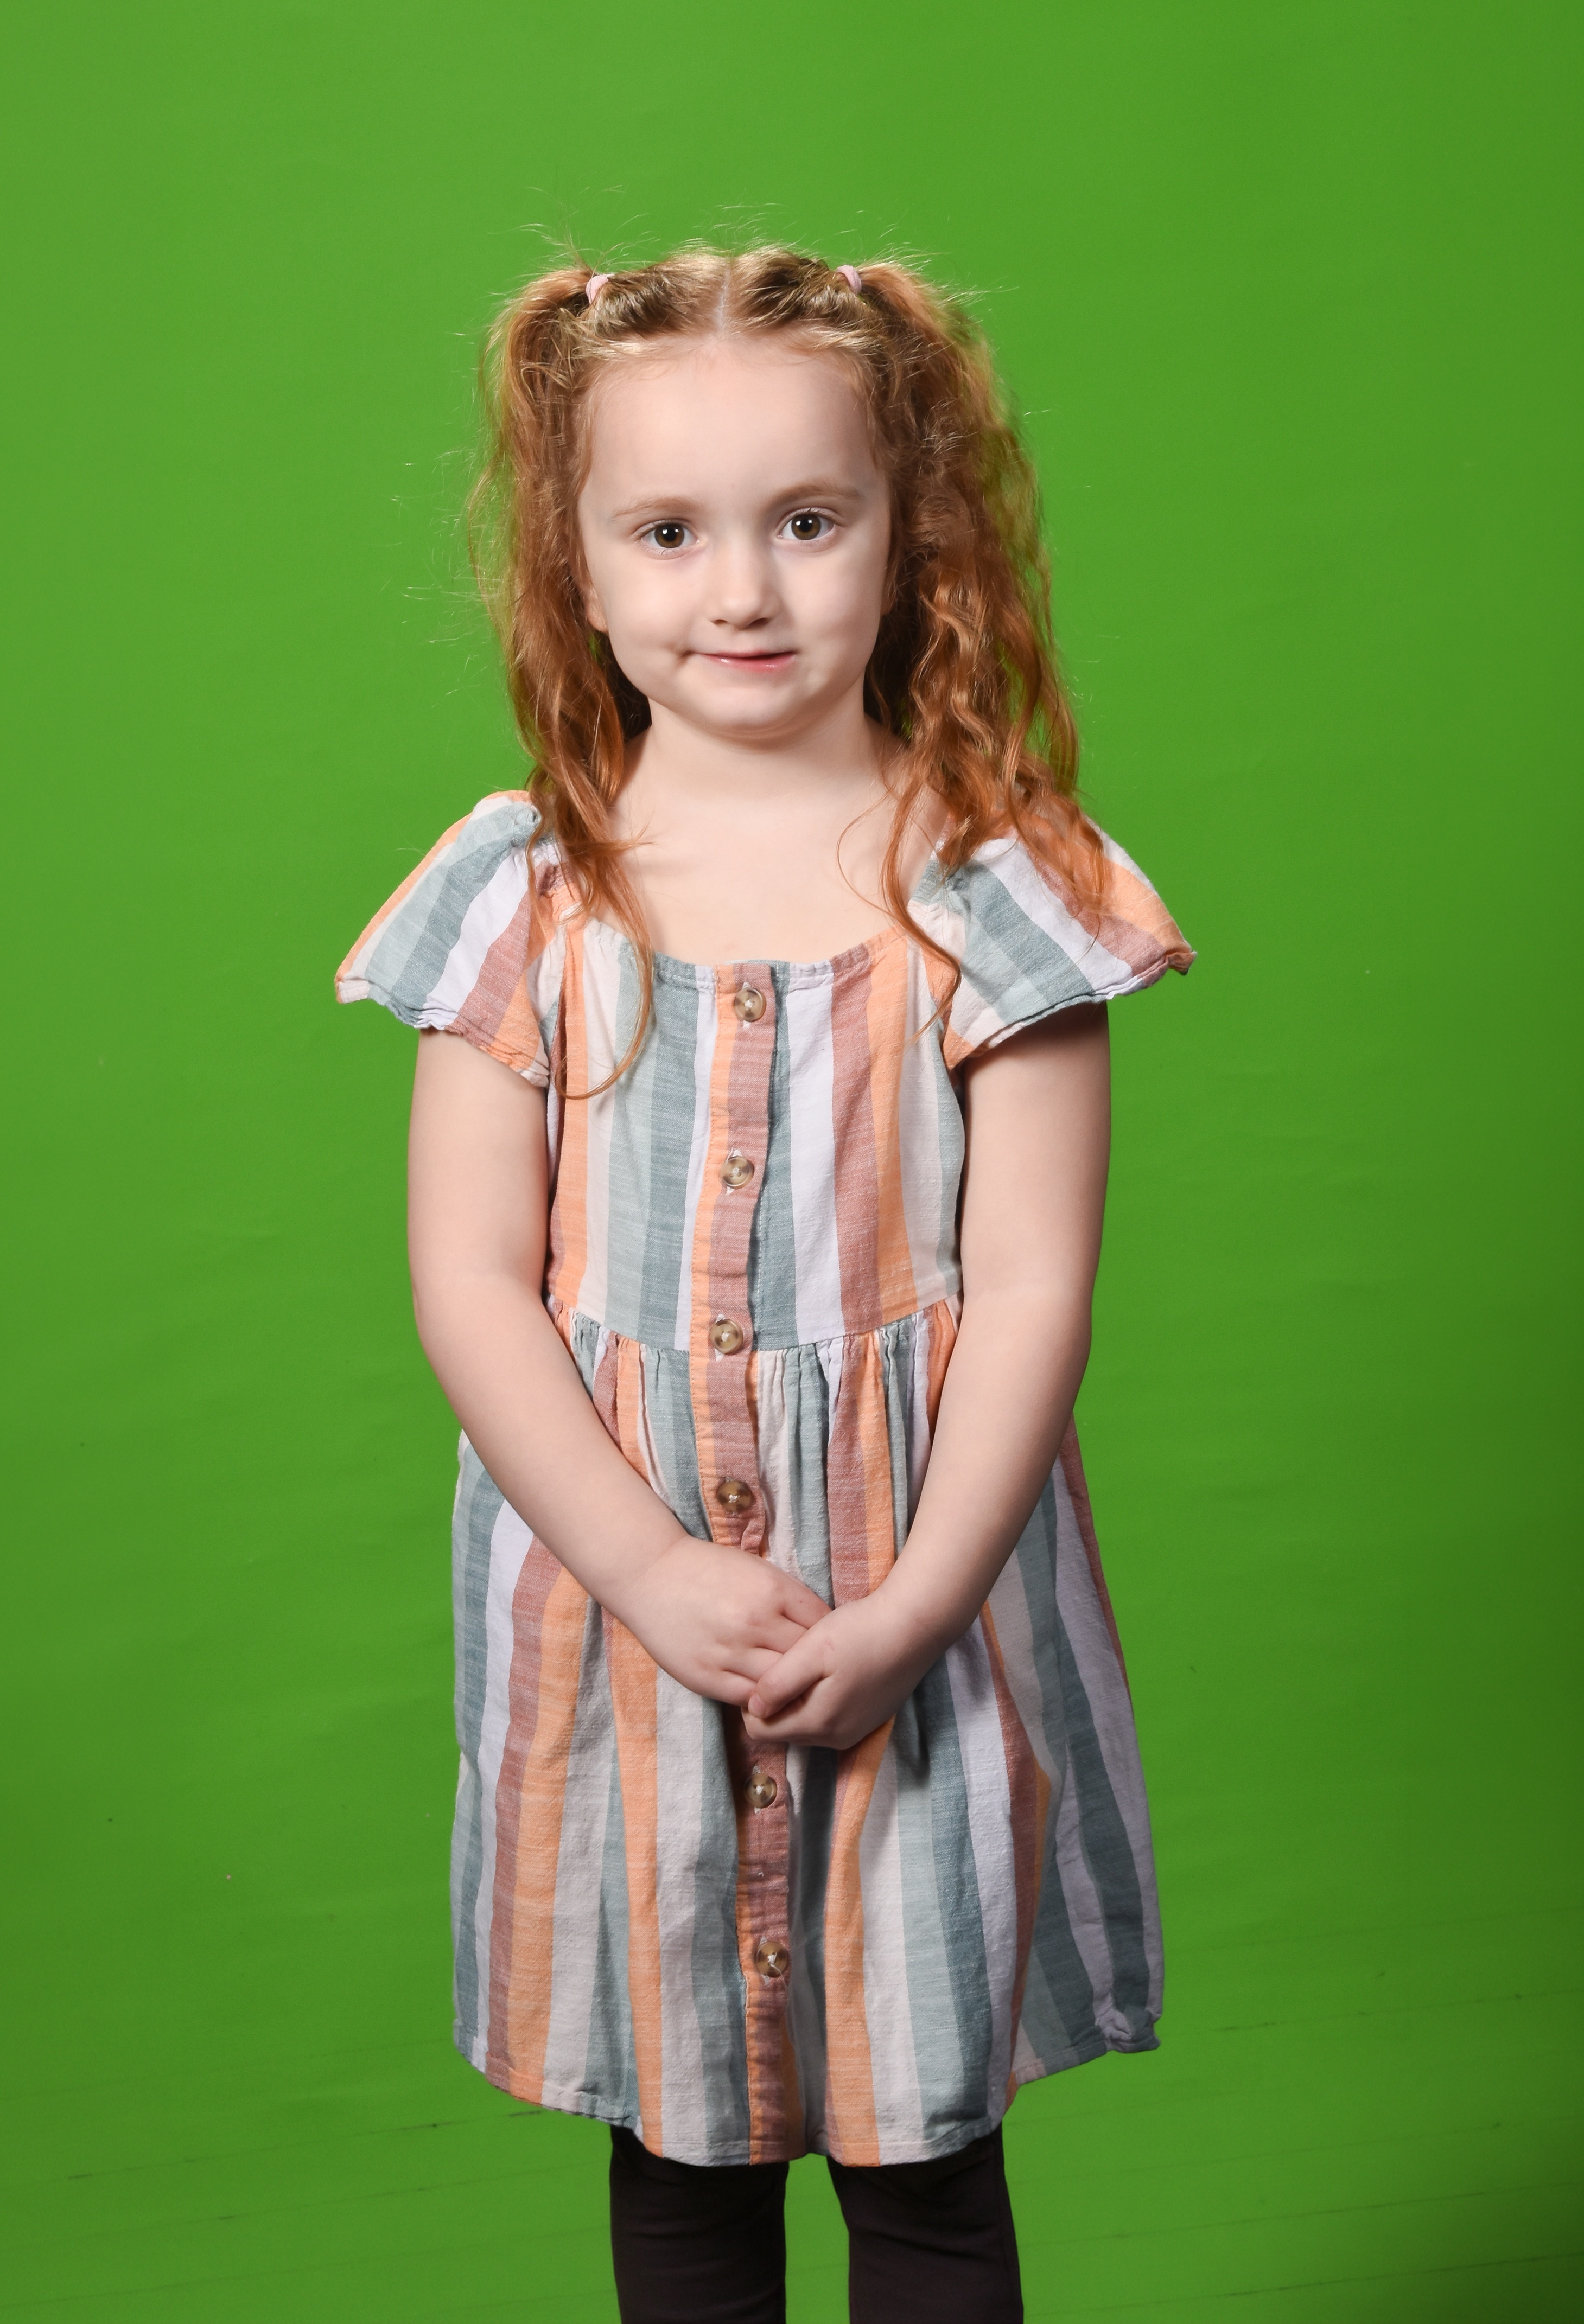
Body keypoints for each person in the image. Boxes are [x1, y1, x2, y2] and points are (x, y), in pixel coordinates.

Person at [336, 246, 1192, 2323]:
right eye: (669, 532)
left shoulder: (1005, 890)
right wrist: (646, 1569)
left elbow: (1034, 1296)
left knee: (929, 2160)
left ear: (909, 538)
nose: (743, 590)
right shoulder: (523, 893)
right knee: (681, 2149)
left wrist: (912, 1611)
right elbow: (470, 1280)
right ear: (578, 564)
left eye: (809, 521)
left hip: (921, 1598)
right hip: (624, 1629)